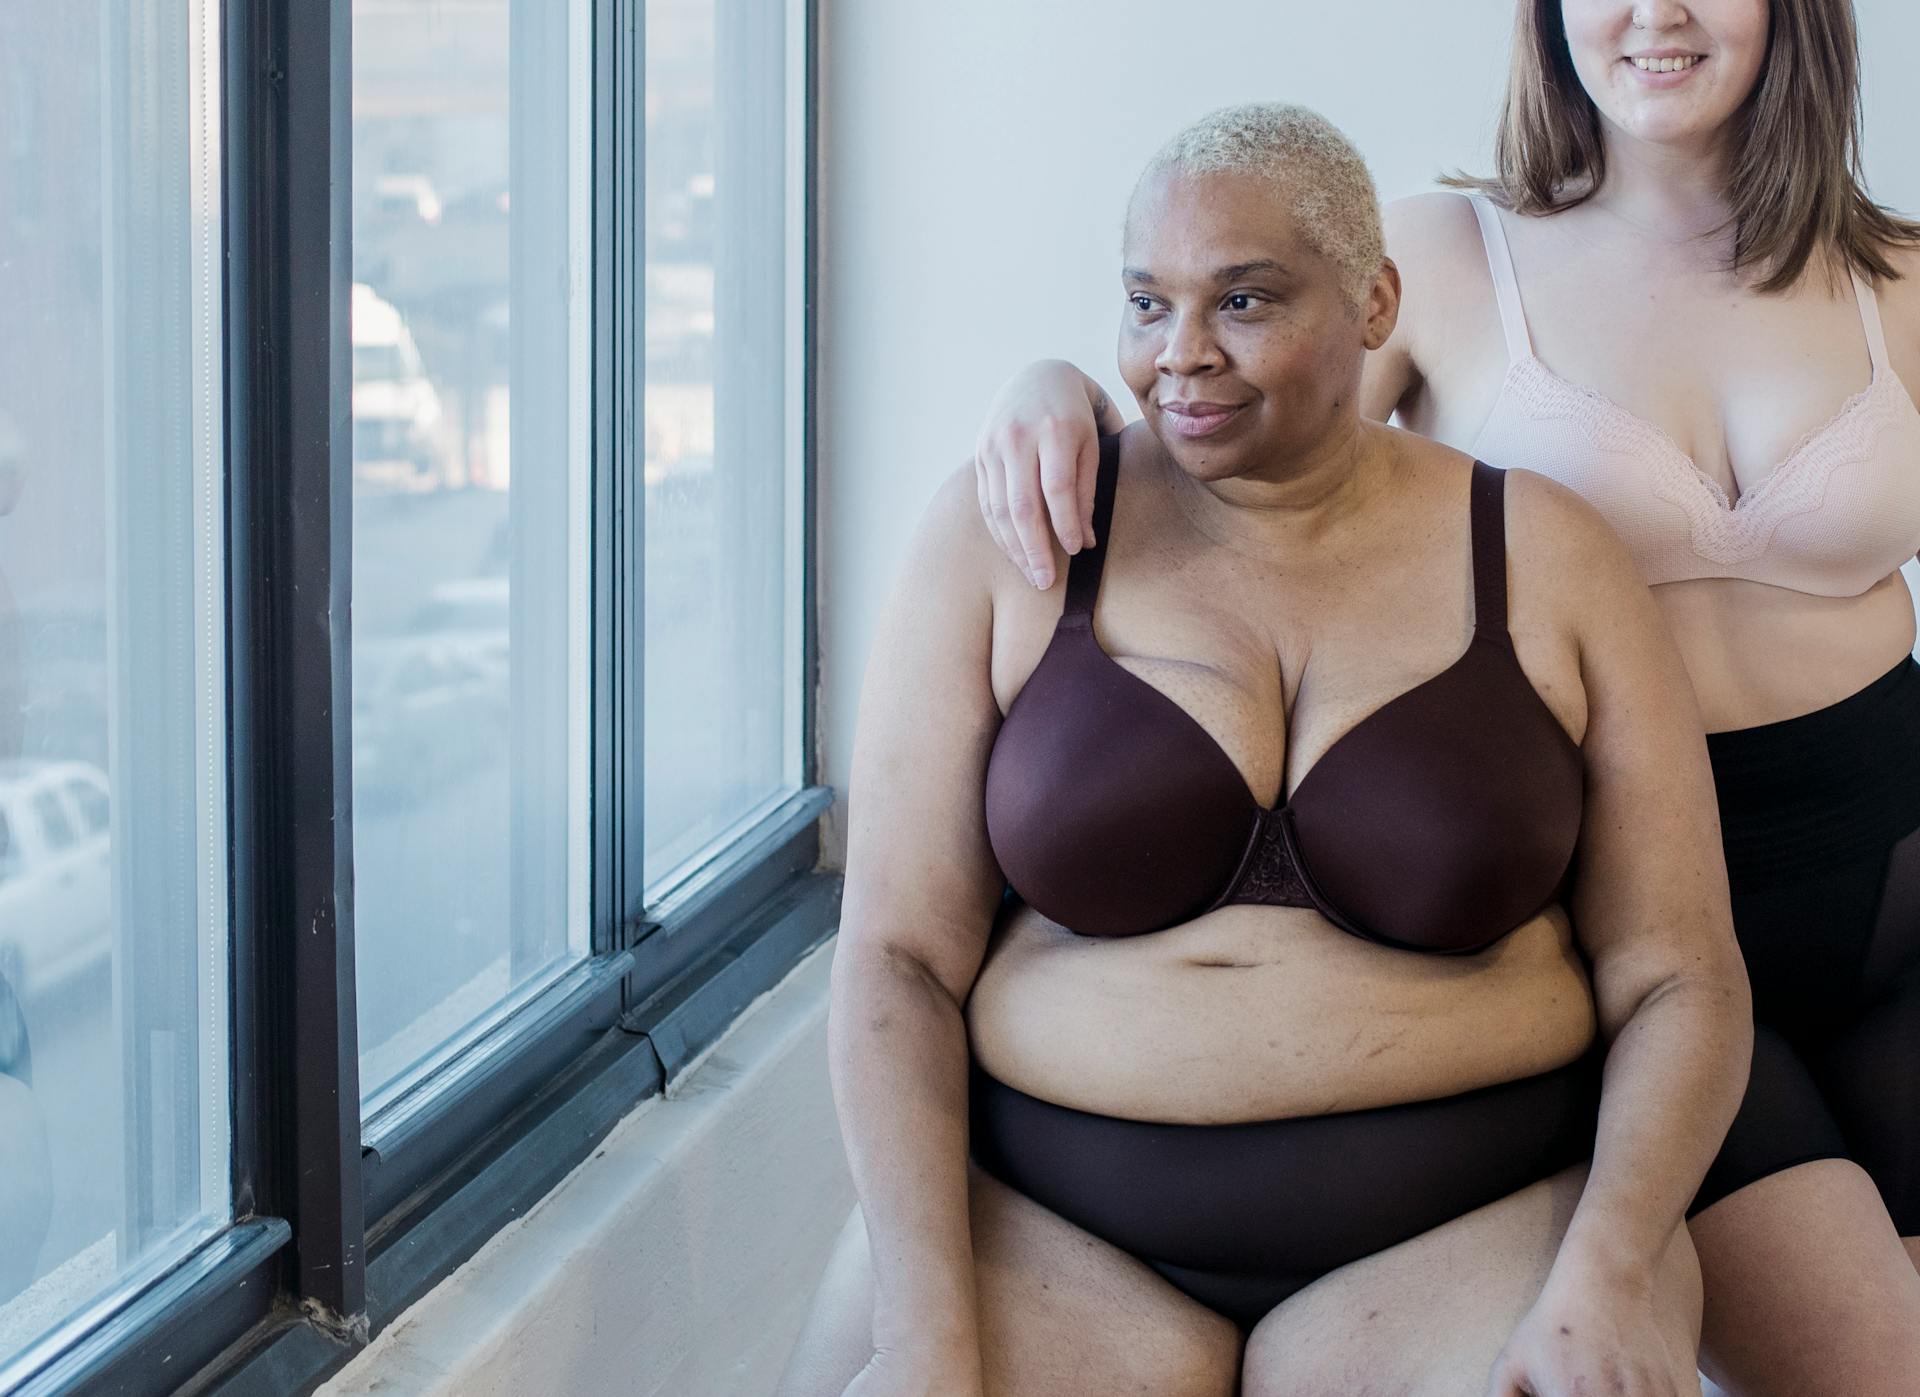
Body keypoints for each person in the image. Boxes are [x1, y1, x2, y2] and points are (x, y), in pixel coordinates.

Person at [969, 4, 1920, 1391]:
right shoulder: (1437, 256)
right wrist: (1039, 380)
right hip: (1622, 938)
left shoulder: (1896, 278)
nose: (1651, 15)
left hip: (1895, 890)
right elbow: (1202, 403)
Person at [781, 103, 1750, 1396]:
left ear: (1375, 301)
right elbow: (895, 958)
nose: (1181, 355)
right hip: (1052, 1238)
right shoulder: (1012, 537)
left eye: (1243, 302)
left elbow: (1678, 972)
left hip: (1472, 1235)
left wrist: (1616, 1266)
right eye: (1145, 302)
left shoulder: (1548, 554)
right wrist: (927, 1334)